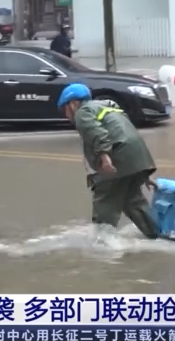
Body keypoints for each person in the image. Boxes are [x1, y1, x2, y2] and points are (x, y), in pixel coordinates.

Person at [57, 83, 159, 239]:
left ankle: (103, 243)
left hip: (117, 156)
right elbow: (127, 134)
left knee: (104, 198)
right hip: (137, 157)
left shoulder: (82, 112)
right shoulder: (107, 106)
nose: (66, 115)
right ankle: (157, 235)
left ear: (72, 103)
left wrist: (105, 159)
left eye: (64, 109)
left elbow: (98, 134)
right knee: (133, 201)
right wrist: (143, 174)